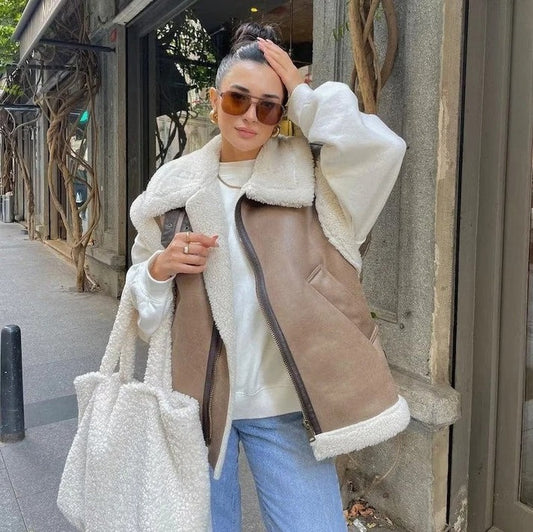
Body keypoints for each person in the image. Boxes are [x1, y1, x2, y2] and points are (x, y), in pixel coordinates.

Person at [126, 22, 410, 532]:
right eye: (238, 99)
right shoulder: (172, 189)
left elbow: (381, 149)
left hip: (283, 405)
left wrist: (303, 94)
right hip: (193, 405)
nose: (250, 117)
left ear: (282, 115)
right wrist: (157, 269)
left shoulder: (315, 182)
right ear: (214, 101)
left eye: (269, 106)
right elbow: (143, 307)